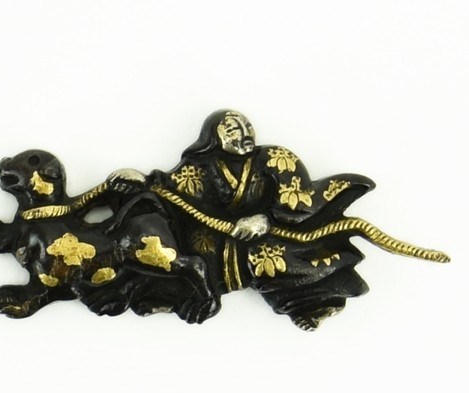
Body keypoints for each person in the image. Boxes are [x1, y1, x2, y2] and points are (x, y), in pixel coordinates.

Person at [152, 110, 375, 330]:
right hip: (220, 241)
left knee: (283, 262)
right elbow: (168, 186)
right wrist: (143, 179)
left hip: (271, 235)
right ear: (214, 139)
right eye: (233, 129)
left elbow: (296, 198)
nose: (244, 133)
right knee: (240, 262)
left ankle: (321, 304)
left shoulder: (274, 158)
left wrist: (266, 218)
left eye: (247, 127)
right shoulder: (199, 167)